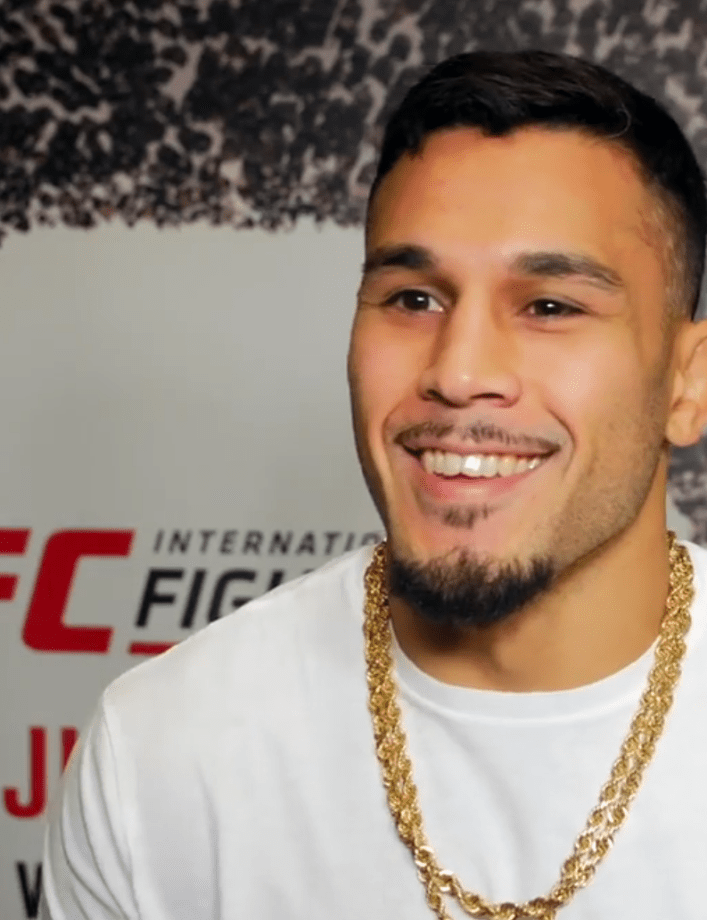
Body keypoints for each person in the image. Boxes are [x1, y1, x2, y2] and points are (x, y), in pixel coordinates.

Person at [41, 50, 707, 919]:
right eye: (412, 299)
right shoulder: (160, 753)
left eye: (550, 306)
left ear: (687, 384)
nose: (458, 373)